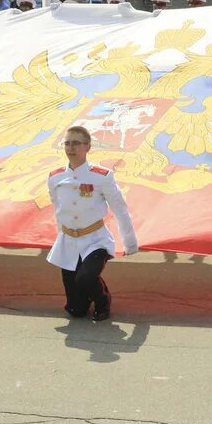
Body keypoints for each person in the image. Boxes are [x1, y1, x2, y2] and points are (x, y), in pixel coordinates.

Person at [46, 126, 138, 321]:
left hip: (95, 240)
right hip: (69, 241)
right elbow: (58, 209)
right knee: (76, 311)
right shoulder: (55, 178)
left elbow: (120, 209)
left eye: (76, 143)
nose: (71, 148)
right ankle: (83, 299)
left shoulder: (101, 176)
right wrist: (60, 236)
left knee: (86, 277)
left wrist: (129, 243)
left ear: (87, 147)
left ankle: (103, 300)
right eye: (67, 143)